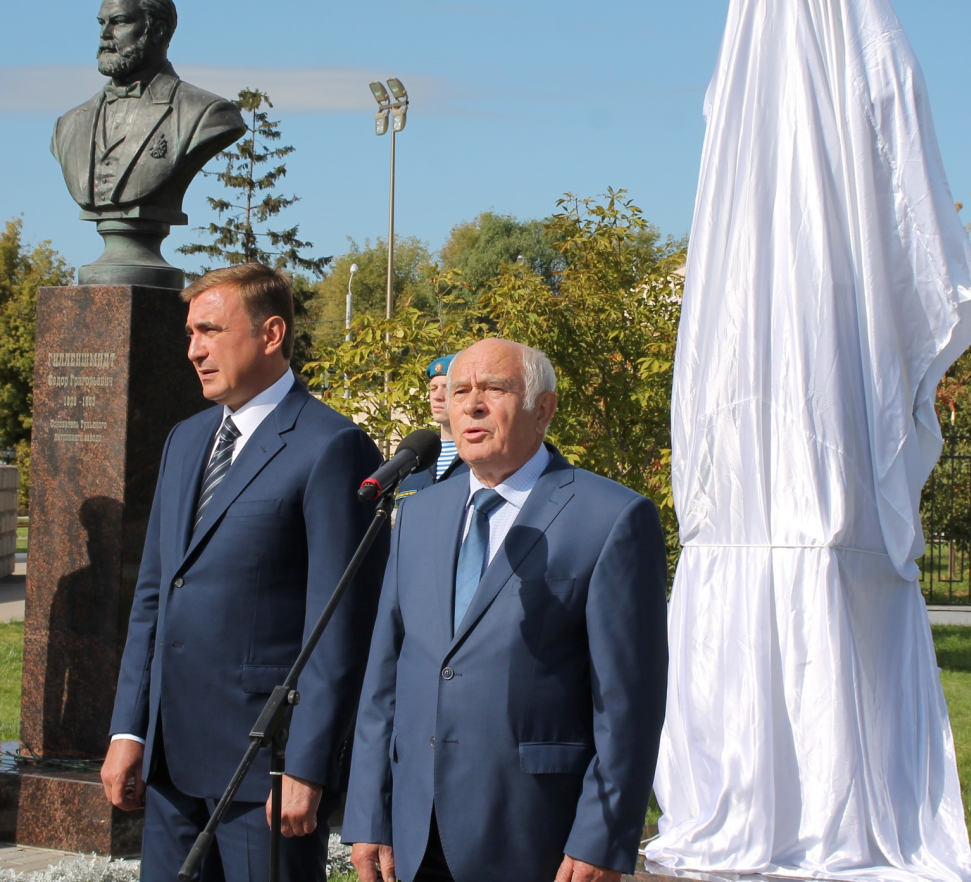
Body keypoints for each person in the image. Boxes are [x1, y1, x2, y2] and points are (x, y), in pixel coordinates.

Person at [100, 262, 387, 882]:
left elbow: (340, 627)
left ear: (271, 334)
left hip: (264, 769)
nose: (194, 350)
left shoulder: (332, 446)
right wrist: (130, 729)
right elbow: (155, 596)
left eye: (210, 331)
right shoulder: (185, 440)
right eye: (190, 334)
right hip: (170, 761)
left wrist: (307, 762)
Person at [344, 338, 669, 882]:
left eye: (494, 388)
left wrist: (602, 836)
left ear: (543, 409)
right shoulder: (418, 515)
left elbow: (629, 705)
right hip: (417, 834)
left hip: (537, 834)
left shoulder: (611, 517)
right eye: (459, 391)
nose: (471, 405)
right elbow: (385, 679)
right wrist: (369, 813)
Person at [52, 0, 246, 218]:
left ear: (157, 31)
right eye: (102, 23)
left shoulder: (207, 113)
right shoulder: (68, 125)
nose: (105, 34)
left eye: (120, 22)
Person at [395, 354, 464, 498]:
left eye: (447, 387)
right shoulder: (415, 456)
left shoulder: (482, 457)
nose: (437, 396)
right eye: (433, 388)